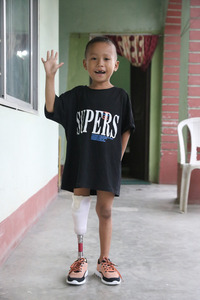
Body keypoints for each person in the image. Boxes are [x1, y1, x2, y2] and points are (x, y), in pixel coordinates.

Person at [41, 36, 135, 286]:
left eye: (106, 58)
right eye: (94, 58)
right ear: (85, 64)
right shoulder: (78, 96)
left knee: (105, 210)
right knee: (79, 208)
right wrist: (50, 77)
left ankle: (104, 260)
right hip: (81, 162)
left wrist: (117, 156)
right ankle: (80, 258)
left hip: (106, 164)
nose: (100, 63)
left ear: (116, 65)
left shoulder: (120, 96)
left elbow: (127, 127)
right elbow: (52, 108)